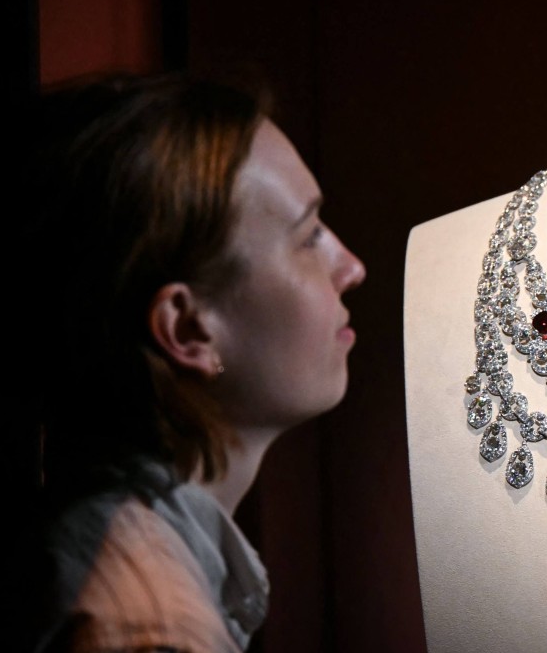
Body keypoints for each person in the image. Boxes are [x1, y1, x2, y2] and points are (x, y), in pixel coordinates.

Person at [21, 74, 365, 652]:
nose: (352, 267)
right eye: (309, 237)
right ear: (187, 330)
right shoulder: (151, 629)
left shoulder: (121, 558)